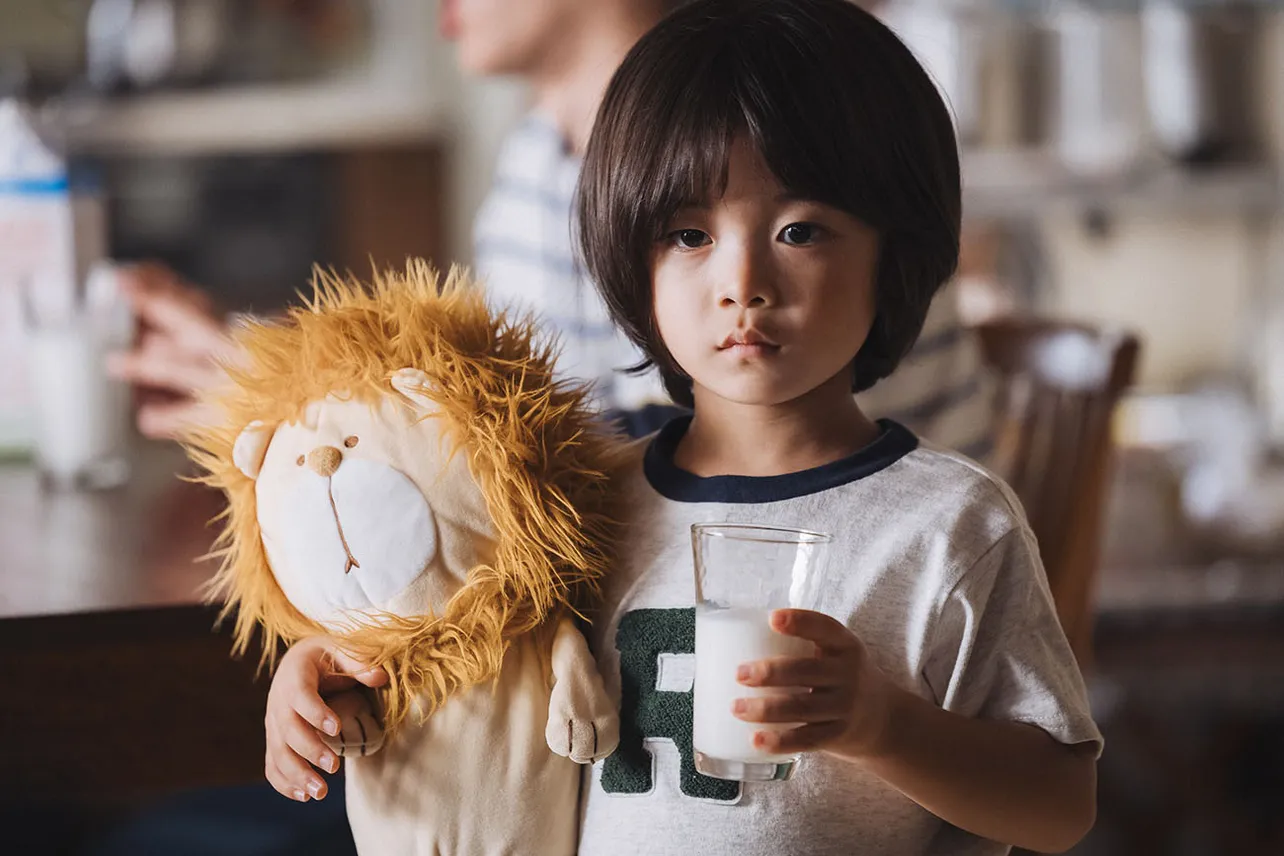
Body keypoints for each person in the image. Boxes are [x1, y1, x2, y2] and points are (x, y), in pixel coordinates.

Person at [266, 1, 1100, 853]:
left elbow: (1061, 802)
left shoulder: (952, 525)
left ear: (898, 252)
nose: (742, 281)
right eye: (690, 234)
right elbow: (464, 665)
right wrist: (330, 678)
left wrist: (882, 724)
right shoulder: (584, 509)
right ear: (632, 259)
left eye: (799, 230)